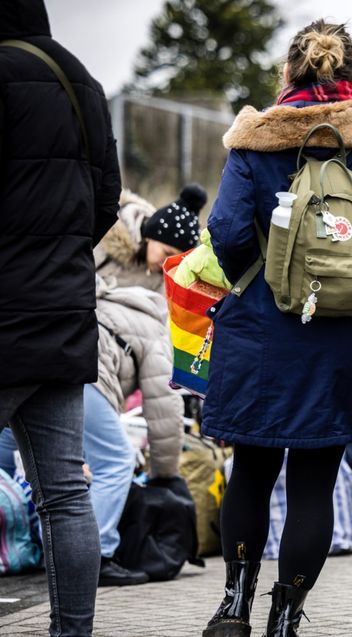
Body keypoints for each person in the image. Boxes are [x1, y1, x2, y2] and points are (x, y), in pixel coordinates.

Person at [200, 20, 352, 637]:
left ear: (287, 73)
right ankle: (286, 617)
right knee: (315, 483)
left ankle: (234, 607)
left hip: (262, 335)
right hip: (345, 340)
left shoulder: (256, 140)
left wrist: (265, 277)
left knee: (251, 469)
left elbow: (224, 230)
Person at [0, 0, 122, 634]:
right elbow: (107, 199)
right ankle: (72, 630)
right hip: (65, 312)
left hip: (5, 313)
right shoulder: (84, 83)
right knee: (66, 495)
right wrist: (58, 254)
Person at [0, 276, 185, 587]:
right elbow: (164, 406)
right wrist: (164, 473)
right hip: (84, 373)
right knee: (115, 460)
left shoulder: (114, 302)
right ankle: (97, 558)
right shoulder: (156, 327)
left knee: (5, 457)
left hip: (30, 355)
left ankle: (12, 546)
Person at [94, 184, 208, 291]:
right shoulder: (101, 230)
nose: (167, 263)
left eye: (176, 260)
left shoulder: (165, 280)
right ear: (150, 236)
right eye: (167, 253)